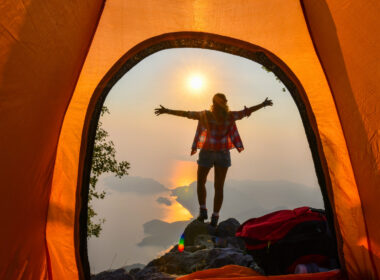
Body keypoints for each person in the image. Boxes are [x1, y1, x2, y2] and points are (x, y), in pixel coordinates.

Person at [155, 93, 273, 227]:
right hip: (223, 154)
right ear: (224, 103)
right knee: (219, 187)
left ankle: (203, 210)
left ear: (213, 103)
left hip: (207, 152)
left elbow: (186, 114)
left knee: (201, 182)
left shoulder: (206, 115)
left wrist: (167, 111)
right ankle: (215, 217)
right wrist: (263, 105)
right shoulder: (230, 116)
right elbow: (246, 112)